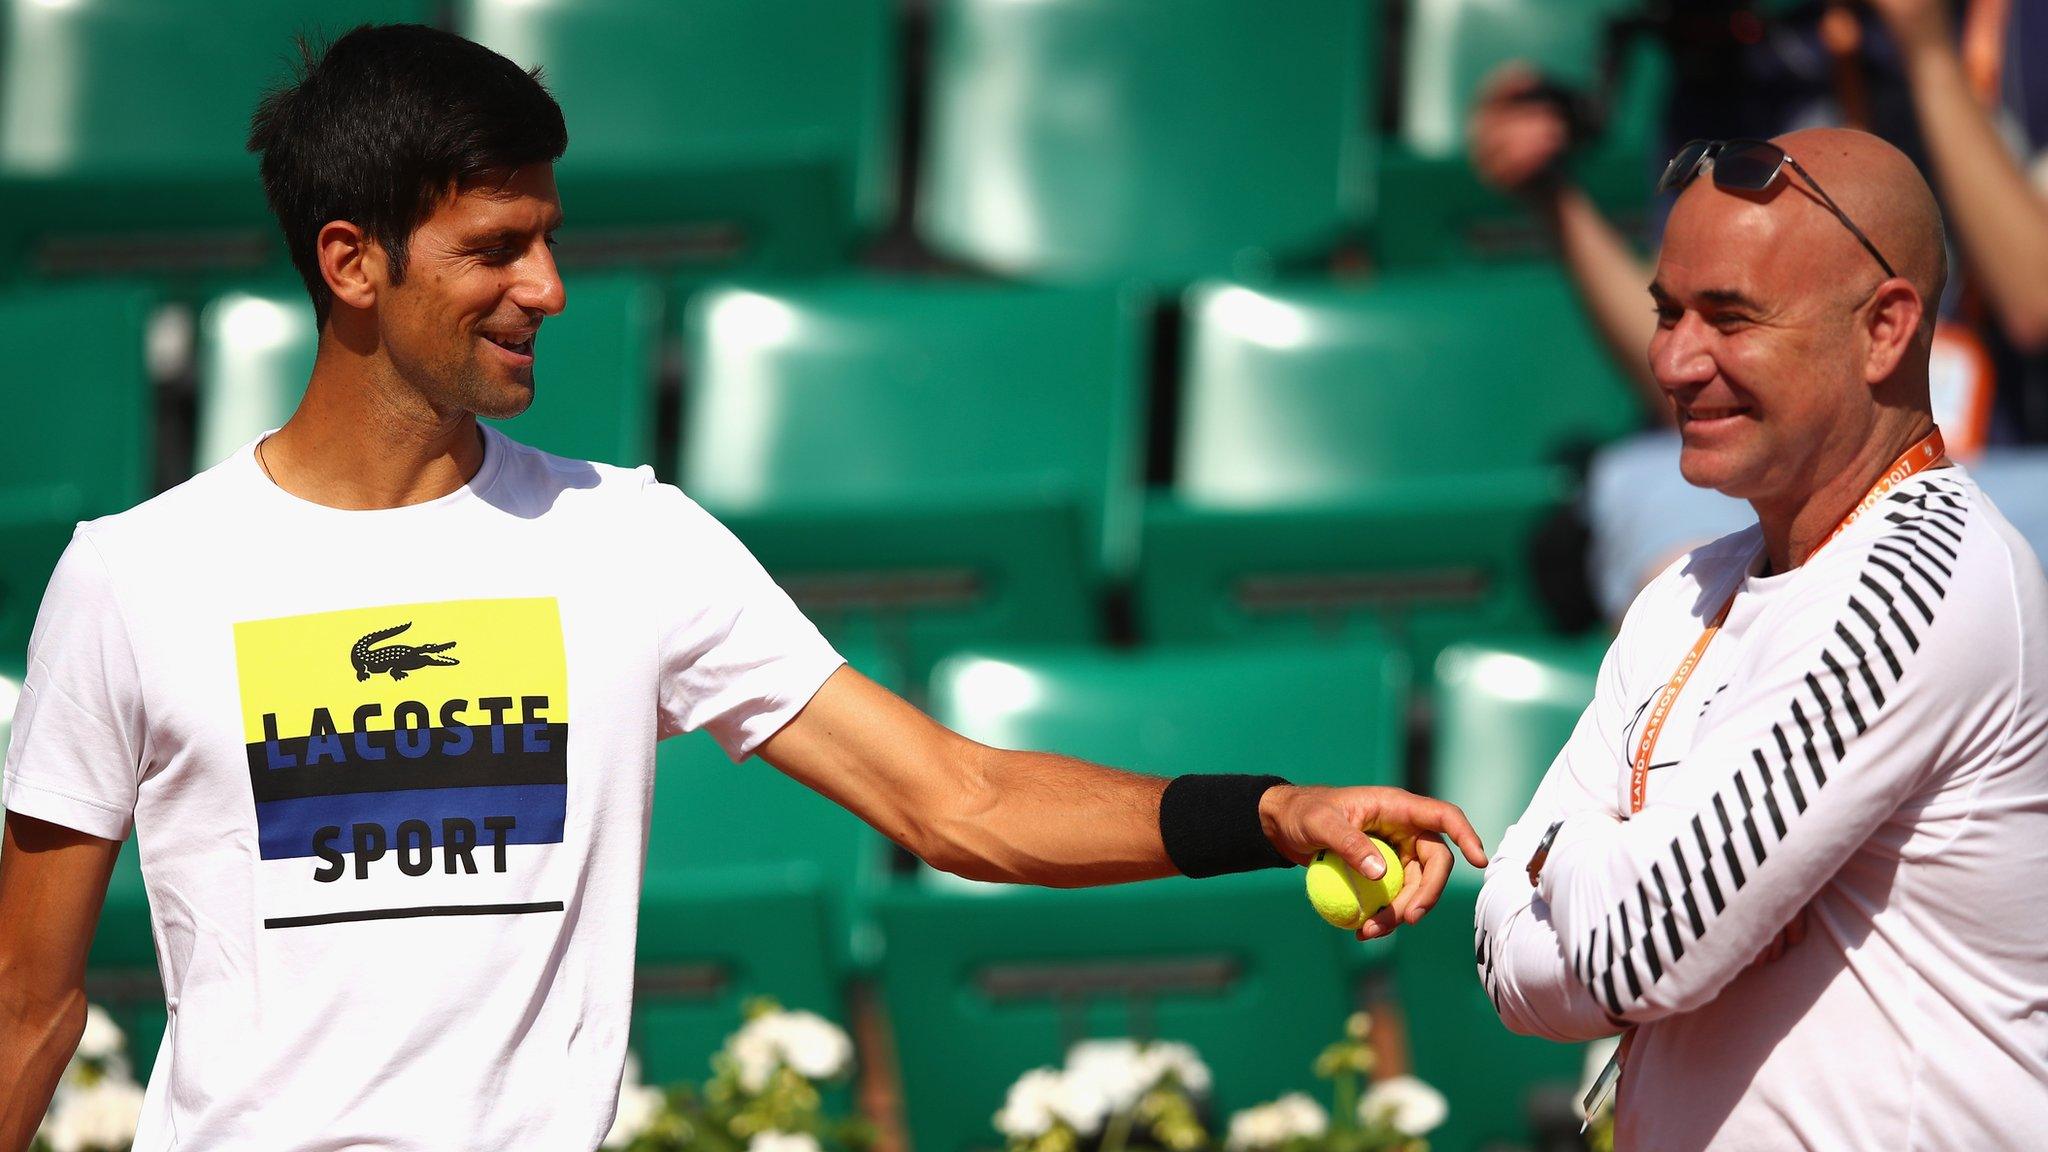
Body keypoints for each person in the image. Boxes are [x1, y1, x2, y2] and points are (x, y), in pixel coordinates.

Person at [0, 25, 1486, 1152]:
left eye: (551, 239)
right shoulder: (133, 580)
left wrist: (1274, 811)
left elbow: (953, 801)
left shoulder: (628, 538)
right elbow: (29, 1004)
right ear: (352, 263)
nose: (551, 288)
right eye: (494, 248)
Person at [1473, 126, 2048, 1148]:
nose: (1672, 360)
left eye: (1728, 318)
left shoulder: (1928, 575)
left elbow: (1632, 954)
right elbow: (1505, 971)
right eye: (1666, 312)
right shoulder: (1683, 592)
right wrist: (1654, 880)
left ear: (1883, 329)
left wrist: (1558, 855)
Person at [1469, 0, 2048, 620]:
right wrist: (1556, 199)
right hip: (1793, 465)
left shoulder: (2024, 29)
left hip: (2005, 468)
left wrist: (1926, 51)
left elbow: (2035, 302)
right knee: (1655, 494)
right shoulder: (1736, 52)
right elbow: (1697, 369)